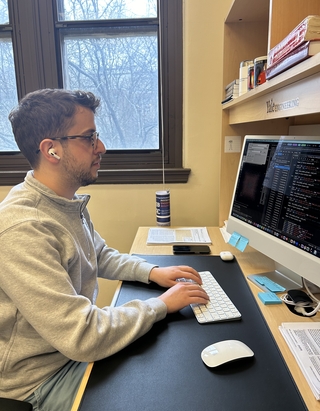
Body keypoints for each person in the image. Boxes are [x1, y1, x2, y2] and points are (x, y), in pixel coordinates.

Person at [0, 89, 209, 411]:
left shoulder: (62, 202)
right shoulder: (23, 227)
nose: (101, 147)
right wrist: (161, 306)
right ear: (51, 150)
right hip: (39, 380)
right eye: (89, 137)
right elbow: (82, 335)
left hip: (68, 353)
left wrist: (153, 272)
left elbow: (98, 255)